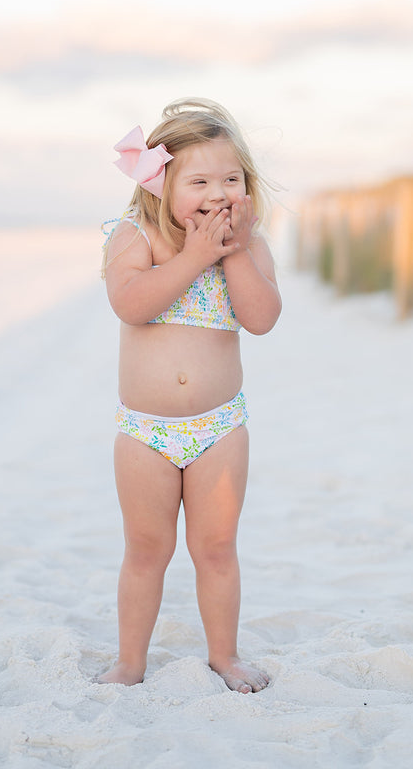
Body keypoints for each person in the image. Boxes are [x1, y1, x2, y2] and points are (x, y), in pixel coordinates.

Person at [98, 98, 282, 693]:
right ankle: (130, 662)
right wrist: (195, 256)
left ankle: (224, 656)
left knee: (218, 547)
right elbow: (131, 303)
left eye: (231, 179)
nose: (217, 193)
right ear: (160, 185)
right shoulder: (136, 235)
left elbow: (261, 319)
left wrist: (230, 255)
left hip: (219, 427)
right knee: (147, 549)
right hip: (147, 432)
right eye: (198, 181)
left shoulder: (248, 246)